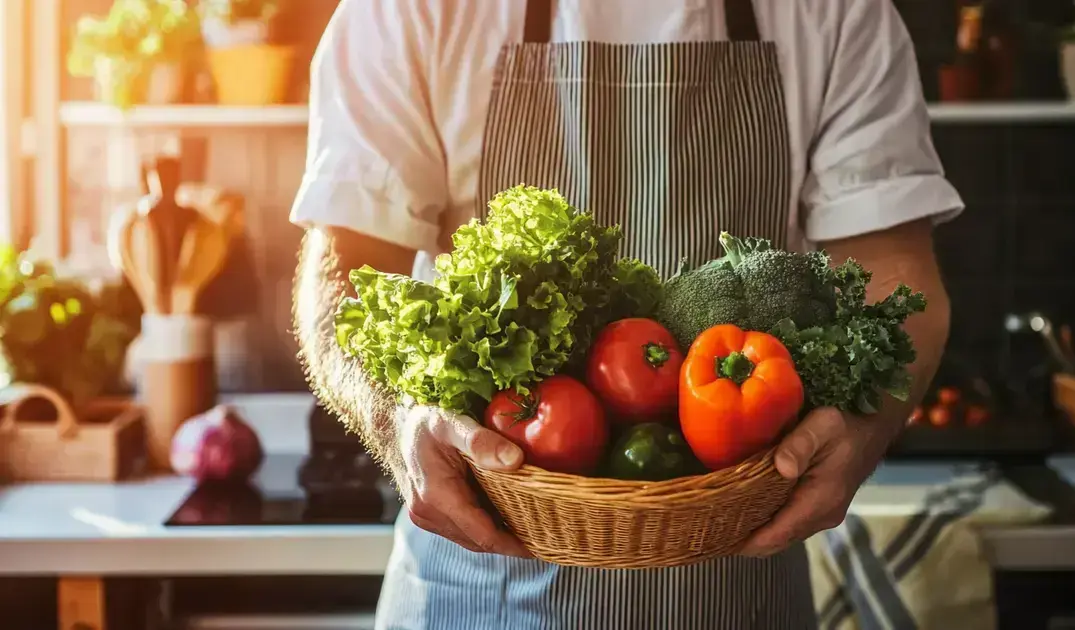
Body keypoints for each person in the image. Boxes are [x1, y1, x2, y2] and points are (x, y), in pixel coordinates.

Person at [292, 0, 962, 627]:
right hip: (480, 592)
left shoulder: (835, 11)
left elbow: (897, 274)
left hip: (740, 591)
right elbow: (344, 271)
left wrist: (863, 429)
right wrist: (396, 417)